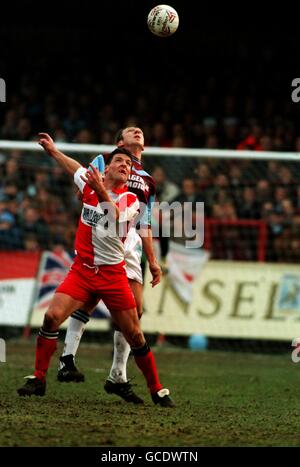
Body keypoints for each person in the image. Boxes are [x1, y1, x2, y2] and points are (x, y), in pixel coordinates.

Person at [17, 132, 174, 408]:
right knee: (51, 317)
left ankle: (157, 389)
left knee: (135, 334)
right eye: (120, 162)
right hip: (83, 271)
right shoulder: (91, 183)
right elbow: (74, 166)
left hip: (114, 275)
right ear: (108, 166)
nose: (125, 166)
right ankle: (39, 377)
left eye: (128, 163)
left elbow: (114, 216)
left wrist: (99, 188)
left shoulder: (130, 201)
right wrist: (53, 151)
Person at [57, 127, 162, 405]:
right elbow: (86, 185)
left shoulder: (148, 180)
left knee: (134, 313)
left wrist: (152, 260)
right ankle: (67, 358)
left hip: (130, 247)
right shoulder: (105, 160)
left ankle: (118, 374)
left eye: (140, 130)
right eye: (130, 130)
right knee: (88, 298)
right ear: (119, 143)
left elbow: (145, 222)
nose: (138, 131)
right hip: (103, 241)